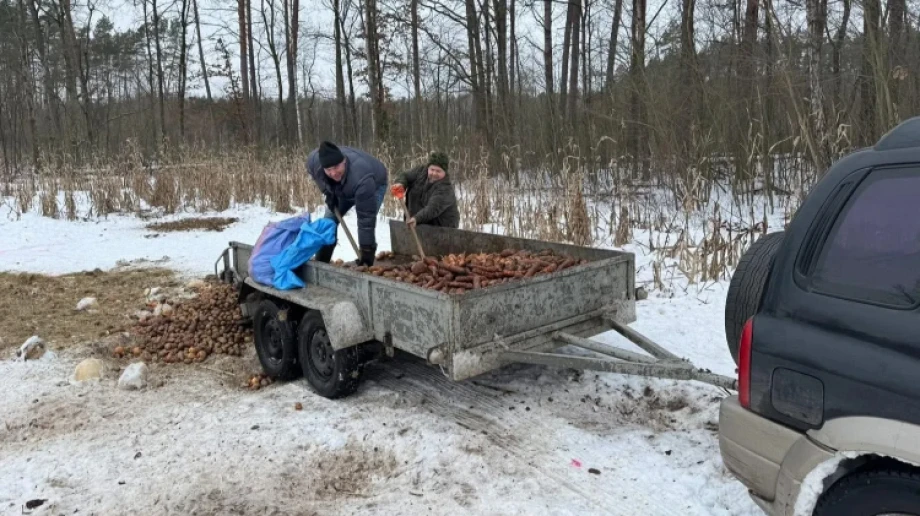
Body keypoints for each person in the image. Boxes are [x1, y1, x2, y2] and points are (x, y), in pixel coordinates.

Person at [306, 141, 388, 266]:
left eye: (336, 167)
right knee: (329, 222)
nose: (333, 173)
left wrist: (367, 249)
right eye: (329, 169)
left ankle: (366, 256)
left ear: (344, 161)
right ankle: (322, 261)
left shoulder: (362, 178)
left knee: (365, 221)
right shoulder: (313, 162)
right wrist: (328, 193)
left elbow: (366, 218)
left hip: (374, 185)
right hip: (342, 187)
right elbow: (320, 179)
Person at [390, 152, 460, 229]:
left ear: (444, 172)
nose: (434, 173)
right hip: (418, 224)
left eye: (438, 171)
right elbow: (405, 176)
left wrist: (417, 218)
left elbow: (432, 209)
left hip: (442, 230)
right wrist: (401, 184)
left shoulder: (446, 189)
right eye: (432, 169)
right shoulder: (420, 171)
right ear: (428, 168)